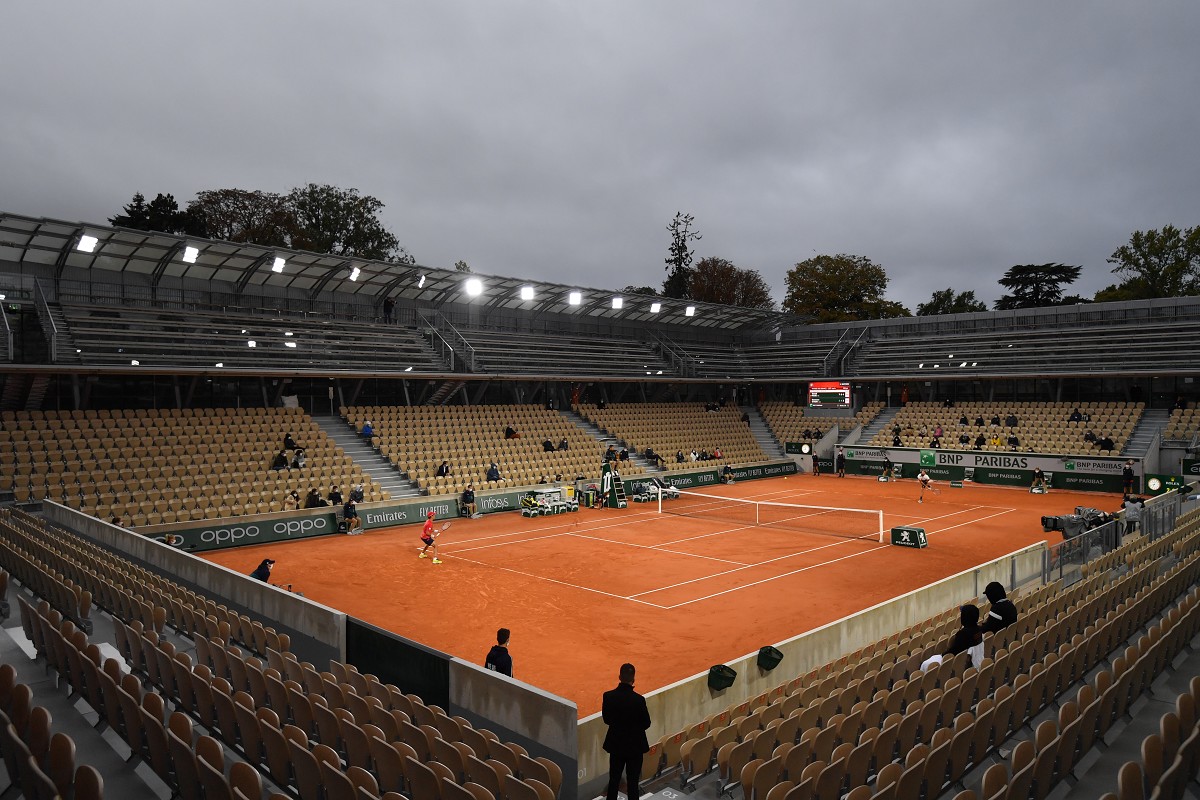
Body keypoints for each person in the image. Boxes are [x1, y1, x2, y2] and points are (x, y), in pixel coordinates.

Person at [602, 663, 651, 800]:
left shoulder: (608, 696)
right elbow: (646, 723)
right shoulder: (639, 700)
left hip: (616, 745)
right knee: (633, 782)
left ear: (619, 677)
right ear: (633, 679)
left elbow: (607, 720)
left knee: (614, 780)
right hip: (635, 747)